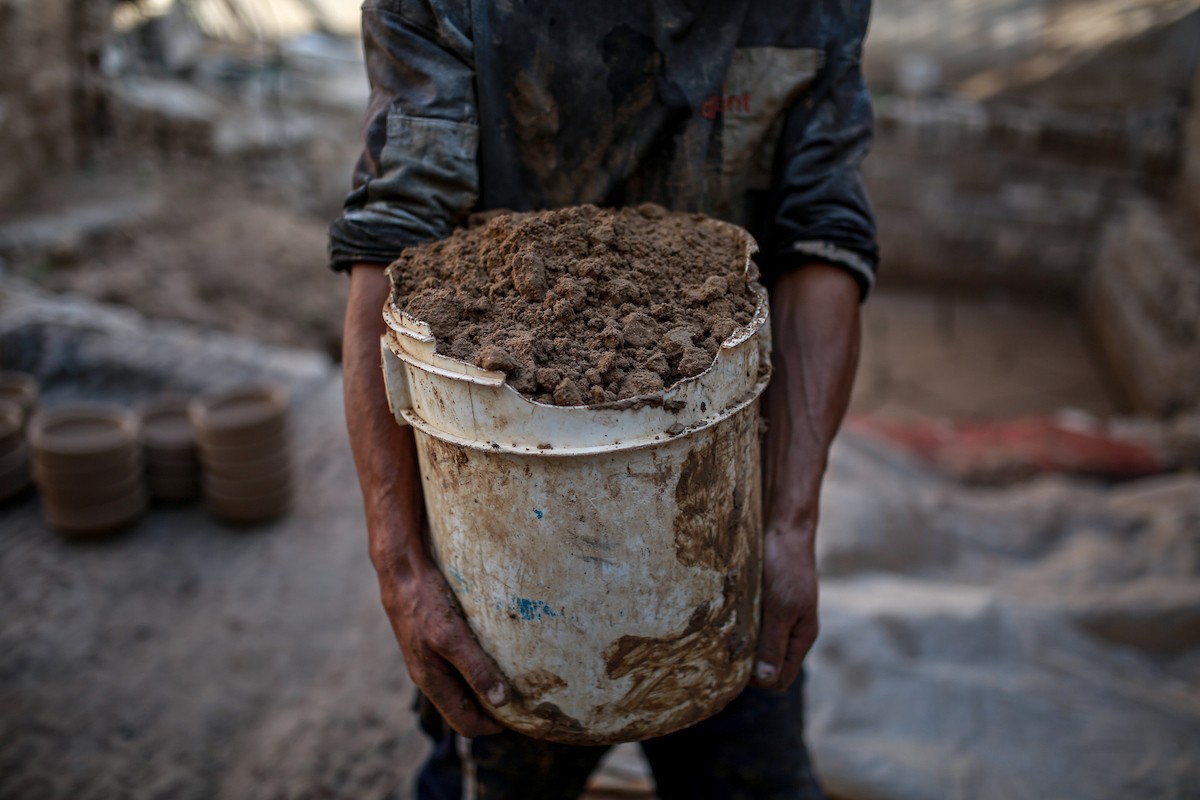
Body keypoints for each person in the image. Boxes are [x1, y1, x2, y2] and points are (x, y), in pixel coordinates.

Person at [330, 2, 877, 797]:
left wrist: (792, 522)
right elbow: (393, 236)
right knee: (500, 739)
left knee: (748, 750)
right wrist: (400, 561)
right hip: (508, 517)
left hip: (720, 510)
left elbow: (822, 232)